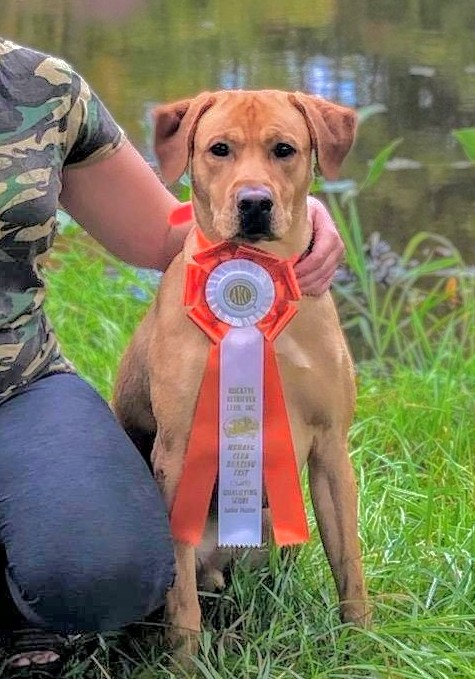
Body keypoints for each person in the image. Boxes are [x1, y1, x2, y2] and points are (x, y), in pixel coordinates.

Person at [0, 38, 344, 677]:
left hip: (15, 381)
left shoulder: (36, 82)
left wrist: (286, 210)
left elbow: (163, 230)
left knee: (111, 573)